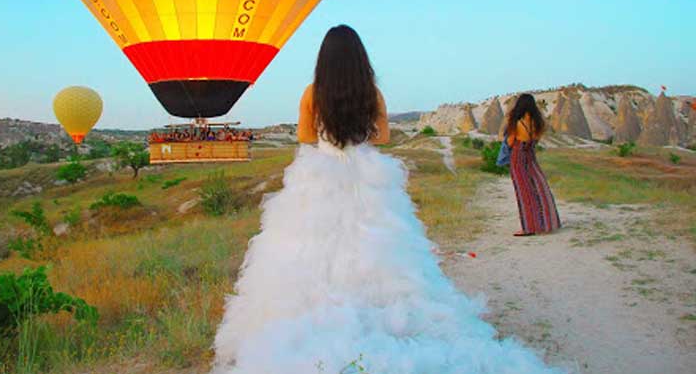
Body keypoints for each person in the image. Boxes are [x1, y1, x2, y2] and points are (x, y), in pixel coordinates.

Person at [211, 25, 561, 374]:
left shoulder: (311, 92)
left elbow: (304, 136)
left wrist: (328, 138)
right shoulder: (372, 93)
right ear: (360, 58)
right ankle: (381, 310)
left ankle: (316, 315)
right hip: (366, 174)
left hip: (320, 174)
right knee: (377, 244)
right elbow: (383, 136)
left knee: (310, 247)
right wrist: (356, 137)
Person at [505, 94, 561, 236]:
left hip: (518, 156)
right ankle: (545, 223)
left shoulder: (517, 123)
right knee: (538, 189)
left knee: (523, 192)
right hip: (531, 155)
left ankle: (528, 228)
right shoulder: (537, 123)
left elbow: (510, 142)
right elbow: (535, 140)